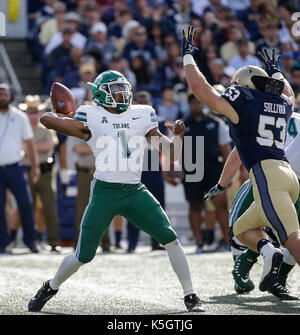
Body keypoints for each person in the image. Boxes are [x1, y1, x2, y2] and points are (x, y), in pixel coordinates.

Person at [28, 70, 205, 313]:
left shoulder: (141, 114)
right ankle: (50, 286)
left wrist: (179, 138)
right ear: (102, 94)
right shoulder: (91, 114)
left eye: (124, 89)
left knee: (170, 238)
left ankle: (191, 295)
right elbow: (47, 120)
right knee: (83, 255)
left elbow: (172, 153)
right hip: (105, 192)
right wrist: (62, 113)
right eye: (116, 91)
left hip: (135, 191)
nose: (123, 95)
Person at [182, 26, 298, 293]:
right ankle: (269, 253)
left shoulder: (242, 102)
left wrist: (188, 56)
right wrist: (277, 71)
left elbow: (200, 88)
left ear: (242, 85)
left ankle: (274, 253)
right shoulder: (282, 102)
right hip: (286, 175)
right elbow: (289, 95)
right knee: (241, 228)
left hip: (268, 176)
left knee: (292, 237)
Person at [205, 113, 300, 300]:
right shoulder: (285, 115)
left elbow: (239, 149)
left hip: (272, 175)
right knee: (285, 234)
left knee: (244, 225)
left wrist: (222, 184)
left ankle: (250, 265)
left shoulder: (263, 112)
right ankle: (250, 264)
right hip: (278, 174)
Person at [182, 93, 231, 253]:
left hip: (213, 168)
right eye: (193, 103)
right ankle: (199, 242)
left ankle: (226, 241)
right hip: (191, 169)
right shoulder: (182, 124)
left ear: (204, 103)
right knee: (195, 205)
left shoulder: (216, 123)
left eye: (199, 102)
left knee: (221, 205)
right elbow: (174, 149)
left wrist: (227, 173)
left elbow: (225, 151)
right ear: (189, 105)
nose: (197, 105)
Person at [18, 95, 61, 252]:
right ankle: (31, 240)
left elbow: (49, 145)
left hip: (45, 171)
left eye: (35, 111)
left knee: (49, 207)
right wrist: (36, 147)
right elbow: (22, 149)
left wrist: (29, 148)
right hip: (26, 170)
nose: (32, 115)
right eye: (30, 111)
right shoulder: (22, 129)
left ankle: (53, 241)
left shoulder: (45, 129)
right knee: (27, 207)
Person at [0, 84, 40, 253]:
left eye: (5, 94)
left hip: (15, 167)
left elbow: (30, 143)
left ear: (11, 96)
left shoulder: (20, 117)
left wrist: (35, 166)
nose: (2, 97)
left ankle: (30, 241)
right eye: (0, 94)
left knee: (25, 204)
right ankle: (2, 243)